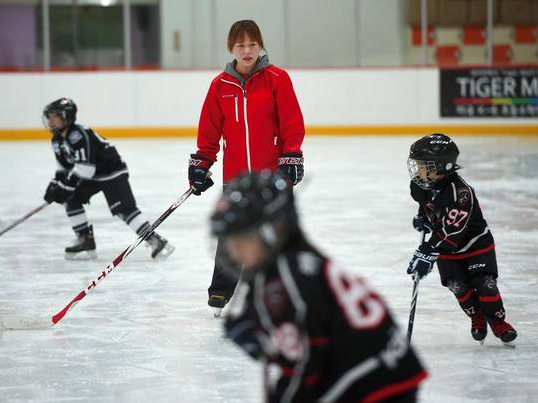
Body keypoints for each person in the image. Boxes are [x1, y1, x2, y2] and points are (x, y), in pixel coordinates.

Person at [210, 170, 428, 403]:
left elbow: (304, 372)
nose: (233, 251)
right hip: (382, 367)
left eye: (242, 239)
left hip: (377, 383)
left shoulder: (291, 278)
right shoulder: (288, 261)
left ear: (274, 229)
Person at [187, 20, 305, 316]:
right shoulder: (220, 86)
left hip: (272, 176)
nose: (247, 50)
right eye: (240, 45)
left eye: (253, 44)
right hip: (236, 178)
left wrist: (292, 156)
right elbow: (210, 131)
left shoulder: (277, 79)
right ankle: (221, 288)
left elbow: (291, 122)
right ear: (231, 48)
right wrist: (202, 162)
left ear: (260, 45)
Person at [406, 133, 517, 346]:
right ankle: (477, 317)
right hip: (447, 250)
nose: (418, 170)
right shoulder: (421, 185)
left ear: (443, 167)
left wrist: (427, 252)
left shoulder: (461, 194)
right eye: (418, 164)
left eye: (424, 165)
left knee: (486, 285)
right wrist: (424, 217)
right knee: (458, 286)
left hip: (475, 245)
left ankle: (498, 322)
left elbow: (450, 233)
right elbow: (428, 205)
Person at [42, 97, 173, 260]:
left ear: (66, 116)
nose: (50, 120)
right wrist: (55, 185)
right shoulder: (57, 140)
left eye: (54, 116)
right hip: (94, 174)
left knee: (124, 209)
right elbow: (64, 167)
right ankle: (85, 239)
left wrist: (66, 186)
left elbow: (86, 168)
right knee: (71, 197)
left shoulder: (78, 134)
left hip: (112, 172)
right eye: (49, 116)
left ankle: (155, 240)